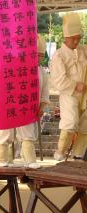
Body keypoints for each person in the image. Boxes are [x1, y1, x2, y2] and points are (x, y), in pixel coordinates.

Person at [0, 34, 49, 168]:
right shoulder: (16, 66)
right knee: (6, 131)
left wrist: (42, 107)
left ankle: (30, 160)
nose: (39, 58)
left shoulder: (42, 72)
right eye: (36, 55)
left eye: (41, 56)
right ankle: (3, 158)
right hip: (11, 104)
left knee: (28, 133)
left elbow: (44, 93)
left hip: (29, 107)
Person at [51, 13, 87, 161]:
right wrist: (75, 85)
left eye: (79, 38)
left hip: (85, 94)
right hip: (70, 94)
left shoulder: (83, 51)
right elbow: (58, 80)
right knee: (70, 122)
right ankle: (60, 151)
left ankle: (78, 155)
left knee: (85, 125)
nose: (76, 41)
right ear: (66, 38)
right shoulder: (59, 55)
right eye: (74, 38)